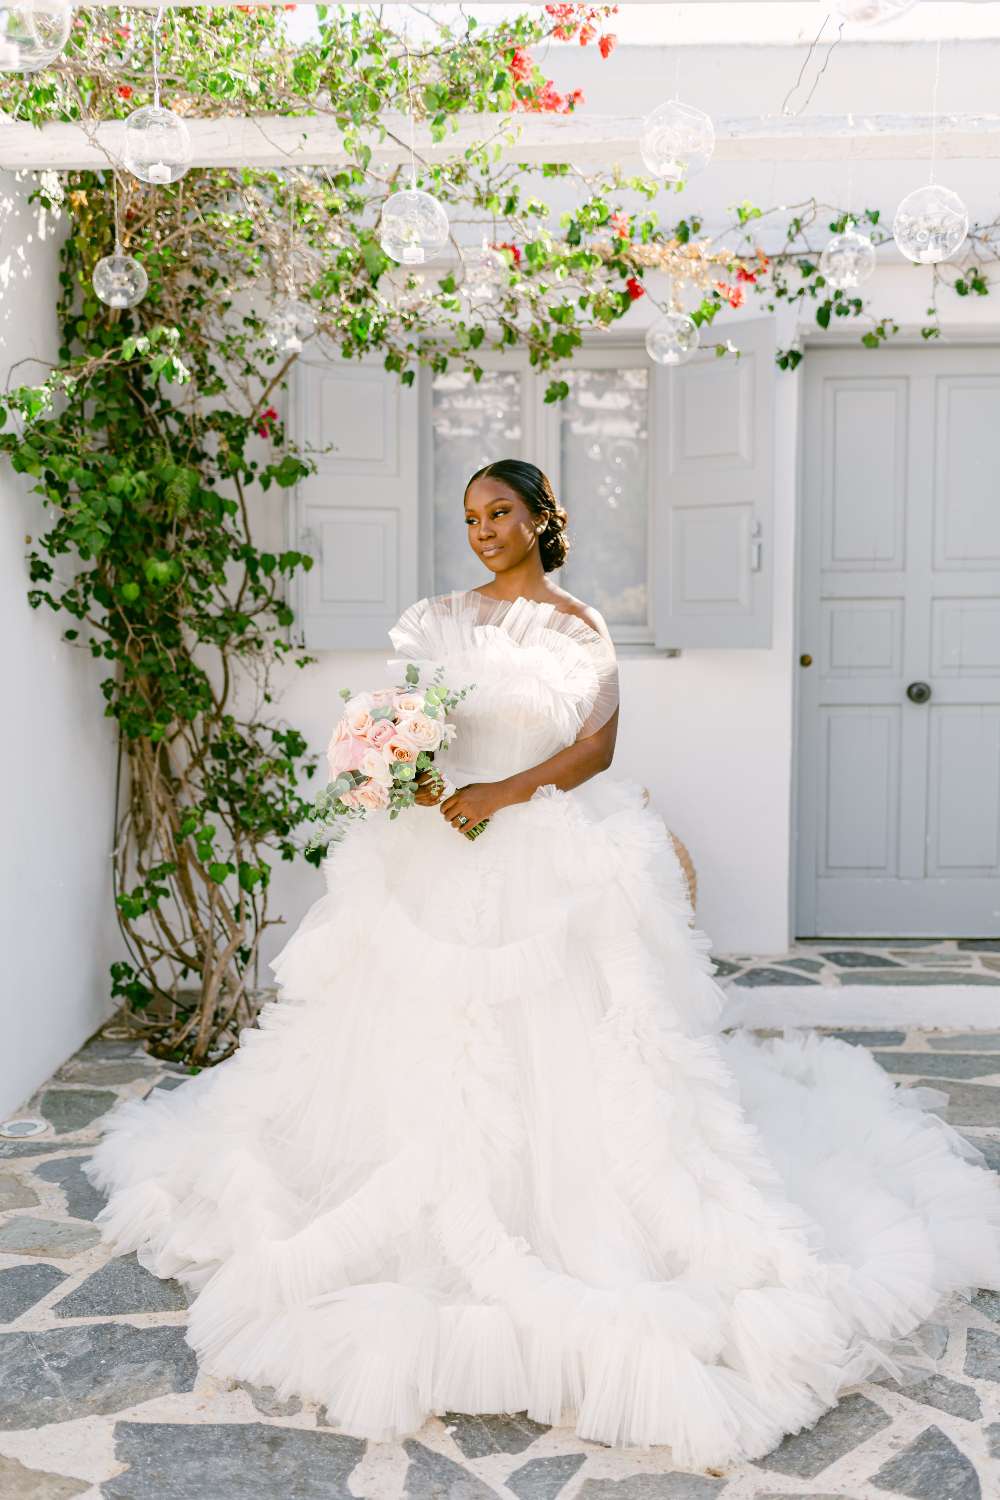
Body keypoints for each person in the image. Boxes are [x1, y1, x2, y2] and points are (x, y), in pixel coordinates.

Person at [83, 458, 1000, 1469]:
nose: (481, 529)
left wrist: (504, 794)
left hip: (541, 847)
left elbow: (597, 750)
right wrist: (402, 762)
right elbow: (417, 718)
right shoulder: (435, 618)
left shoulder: (578, 626)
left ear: (538, 519)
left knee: (575, 1045)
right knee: (414, 1040)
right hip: (437, 852)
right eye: (470, 515)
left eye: (500, 512)